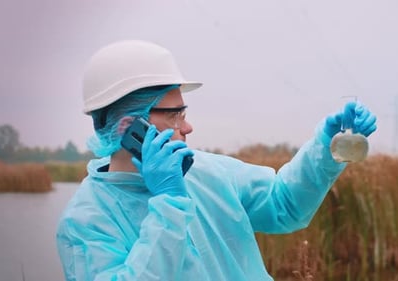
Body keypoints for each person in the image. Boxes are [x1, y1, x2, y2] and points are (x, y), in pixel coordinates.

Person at [56, 40, 377, 281]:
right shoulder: (85, 222)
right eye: (175, 115)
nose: (188, 127)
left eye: (185, 113)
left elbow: (285, 207)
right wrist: (168, 203)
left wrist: (325, 145)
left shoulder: (209, 170)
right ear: (130, 129)